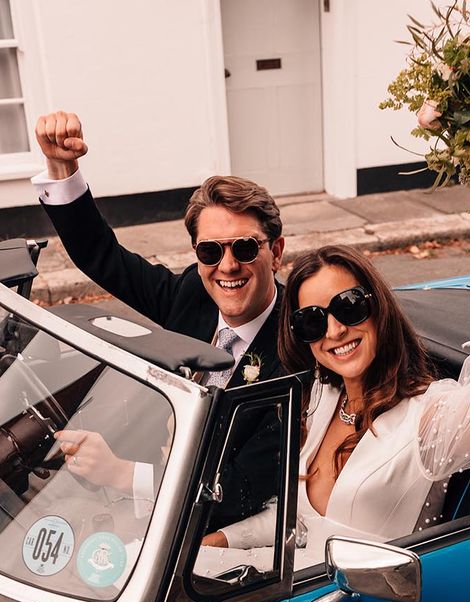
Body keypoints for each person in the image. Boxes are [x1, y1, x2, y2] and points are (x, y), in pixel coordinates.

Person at [202, 141, 470, 558]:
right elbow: (296, 524)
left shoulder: (428, 418)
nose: (335, 330)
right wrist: (213, 546)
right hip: (293, 599)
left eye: (349, 307)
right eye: (313, 320)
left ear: (379, 310)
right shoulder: (320, 400)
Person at [32, 111, 286, 529]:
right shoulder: (191, 295)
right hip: (141, 508)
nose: (227, 267)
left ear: (275, 252)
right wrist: (63, 170)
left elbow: (243, 489)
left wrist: (121, 474)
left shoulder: (297, 345)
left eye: (243, 248)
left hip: (209, 535)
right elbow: (104, 258)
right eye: (209, 251)